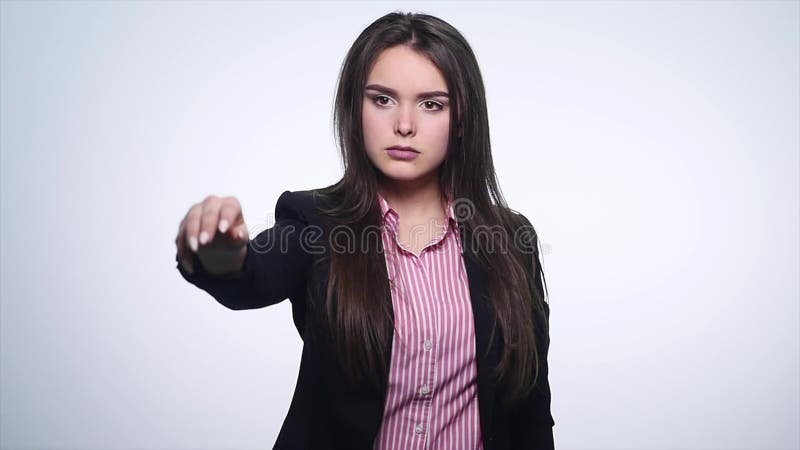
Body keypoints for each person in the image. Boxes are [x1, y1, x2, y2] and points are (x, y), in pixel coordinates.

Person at [175, 11, 554, 450]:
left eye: (431, 104)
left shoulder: (510, 241)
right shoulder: (314, 222)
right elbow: (250, 277)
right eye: (383, 99)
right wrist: (215, 252)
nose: (405, 125)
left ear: (462, 117)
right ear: (355, 108)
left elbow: (530, 409)